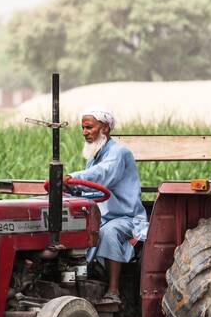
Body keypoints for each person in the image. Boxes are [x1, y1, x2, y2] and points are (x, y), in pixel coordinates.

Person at [63, 108, 148, 304]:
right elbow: (88, 189)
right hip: (101, 217)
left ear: (105, 128)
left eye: (89, 127)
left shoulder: (118, 153)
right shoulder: (94, 157)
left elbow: (103, 174)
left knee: (109, 232)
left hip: (126, 218)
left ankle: (113, 291)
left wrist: (73, 177)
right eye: (83, 128)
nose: (84, 132)